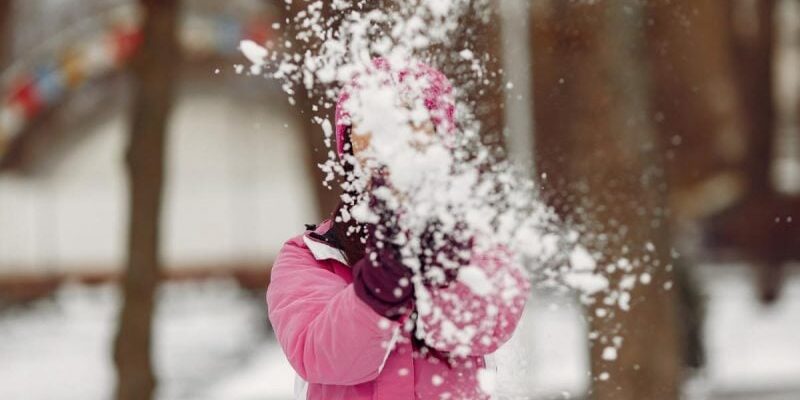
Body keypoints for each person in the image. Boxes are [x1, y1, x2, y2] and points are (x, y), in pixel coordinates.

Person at [267, 58, 529, 400]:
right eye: (373, 120)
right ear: (349, 146)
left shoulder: (477, 246)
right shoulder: (311, 255)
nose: (393, 138)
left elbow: (486, 327)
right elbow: (320, 357)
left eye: (411, 118)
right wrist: (375, 294)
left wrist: (443, 272)